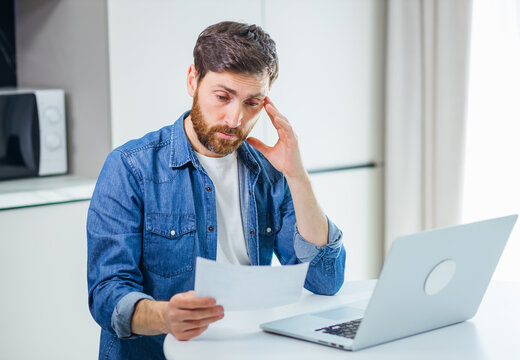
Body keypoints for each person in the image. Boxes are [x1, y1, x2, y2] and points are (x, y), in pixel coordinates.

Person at [87, 21, 346, 359]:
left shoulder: (269, 171)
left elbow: (326, 280)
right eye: (223, 97)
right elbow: (107, 294)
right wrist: (164, 317)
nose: (235, 118)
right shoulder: (130, 167)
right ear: (193, 79)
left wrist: (297, 176)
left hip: (247, 349)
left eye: (253, 103)